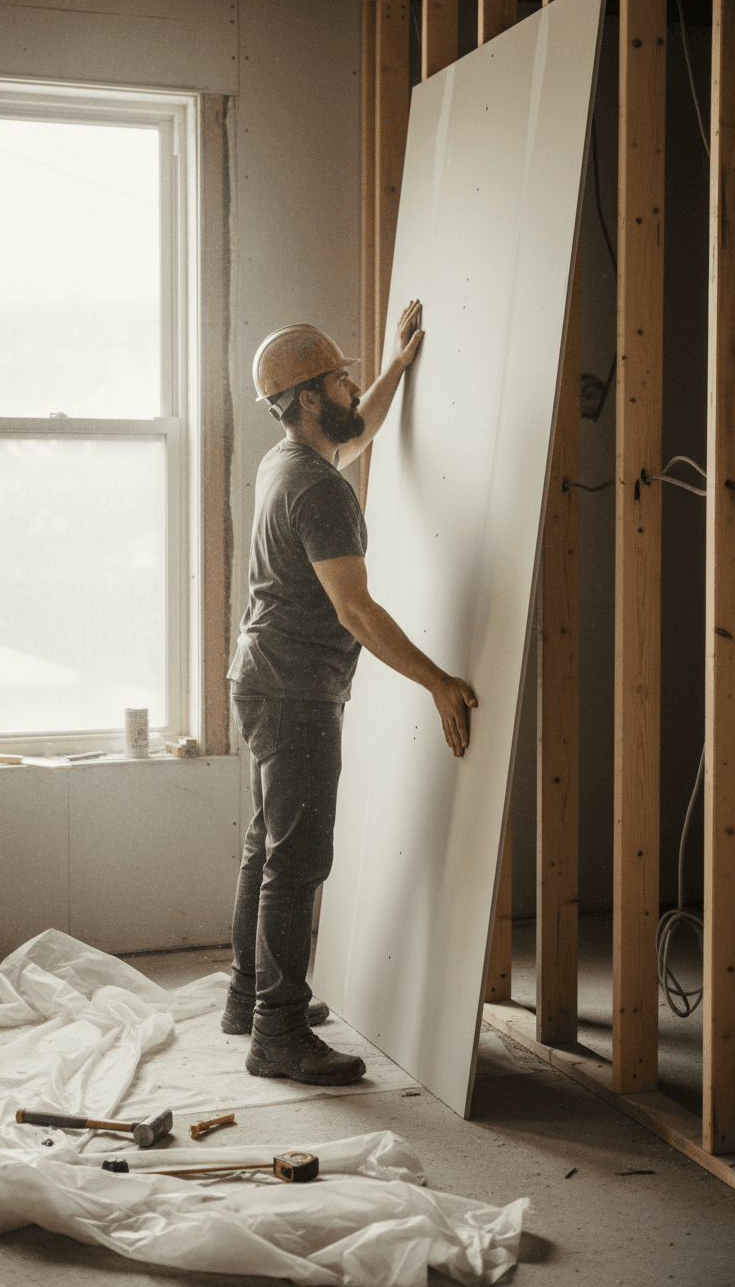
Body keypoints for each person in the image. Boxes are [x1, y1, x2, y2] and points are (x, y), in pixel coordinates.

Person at [223, 302, 478, 1086]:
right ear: (306, 399)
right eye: (339, 377)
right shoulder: (321, 492)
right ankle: (278, 1033)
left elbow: (356, 433)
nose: (351, 383)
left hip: (262, 679)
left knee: (267, 846)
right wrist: (439, 682)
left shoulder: (289, 461)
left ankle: (249, 999)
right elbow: (357, 611)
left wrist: (400, 367)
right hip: (296, 691)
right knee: (297, 861)